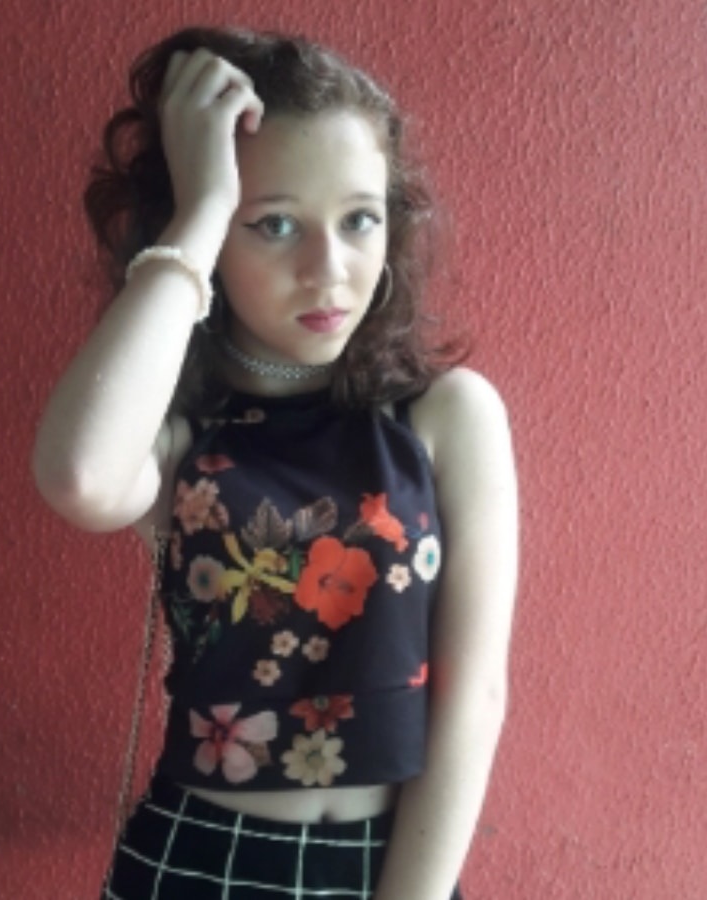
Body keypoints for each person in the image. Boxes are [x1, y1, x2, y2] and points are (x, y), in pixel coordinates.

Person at [32, 25, 518, 900]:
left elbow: (473, 696)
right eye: (275, 223)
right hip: (191, 859)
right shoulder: (183, 434)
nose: (328, 270)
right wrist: (200, 211)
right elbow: (80, 477)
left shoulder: (443, 416)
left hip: (384, 865)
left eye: (359, 218)